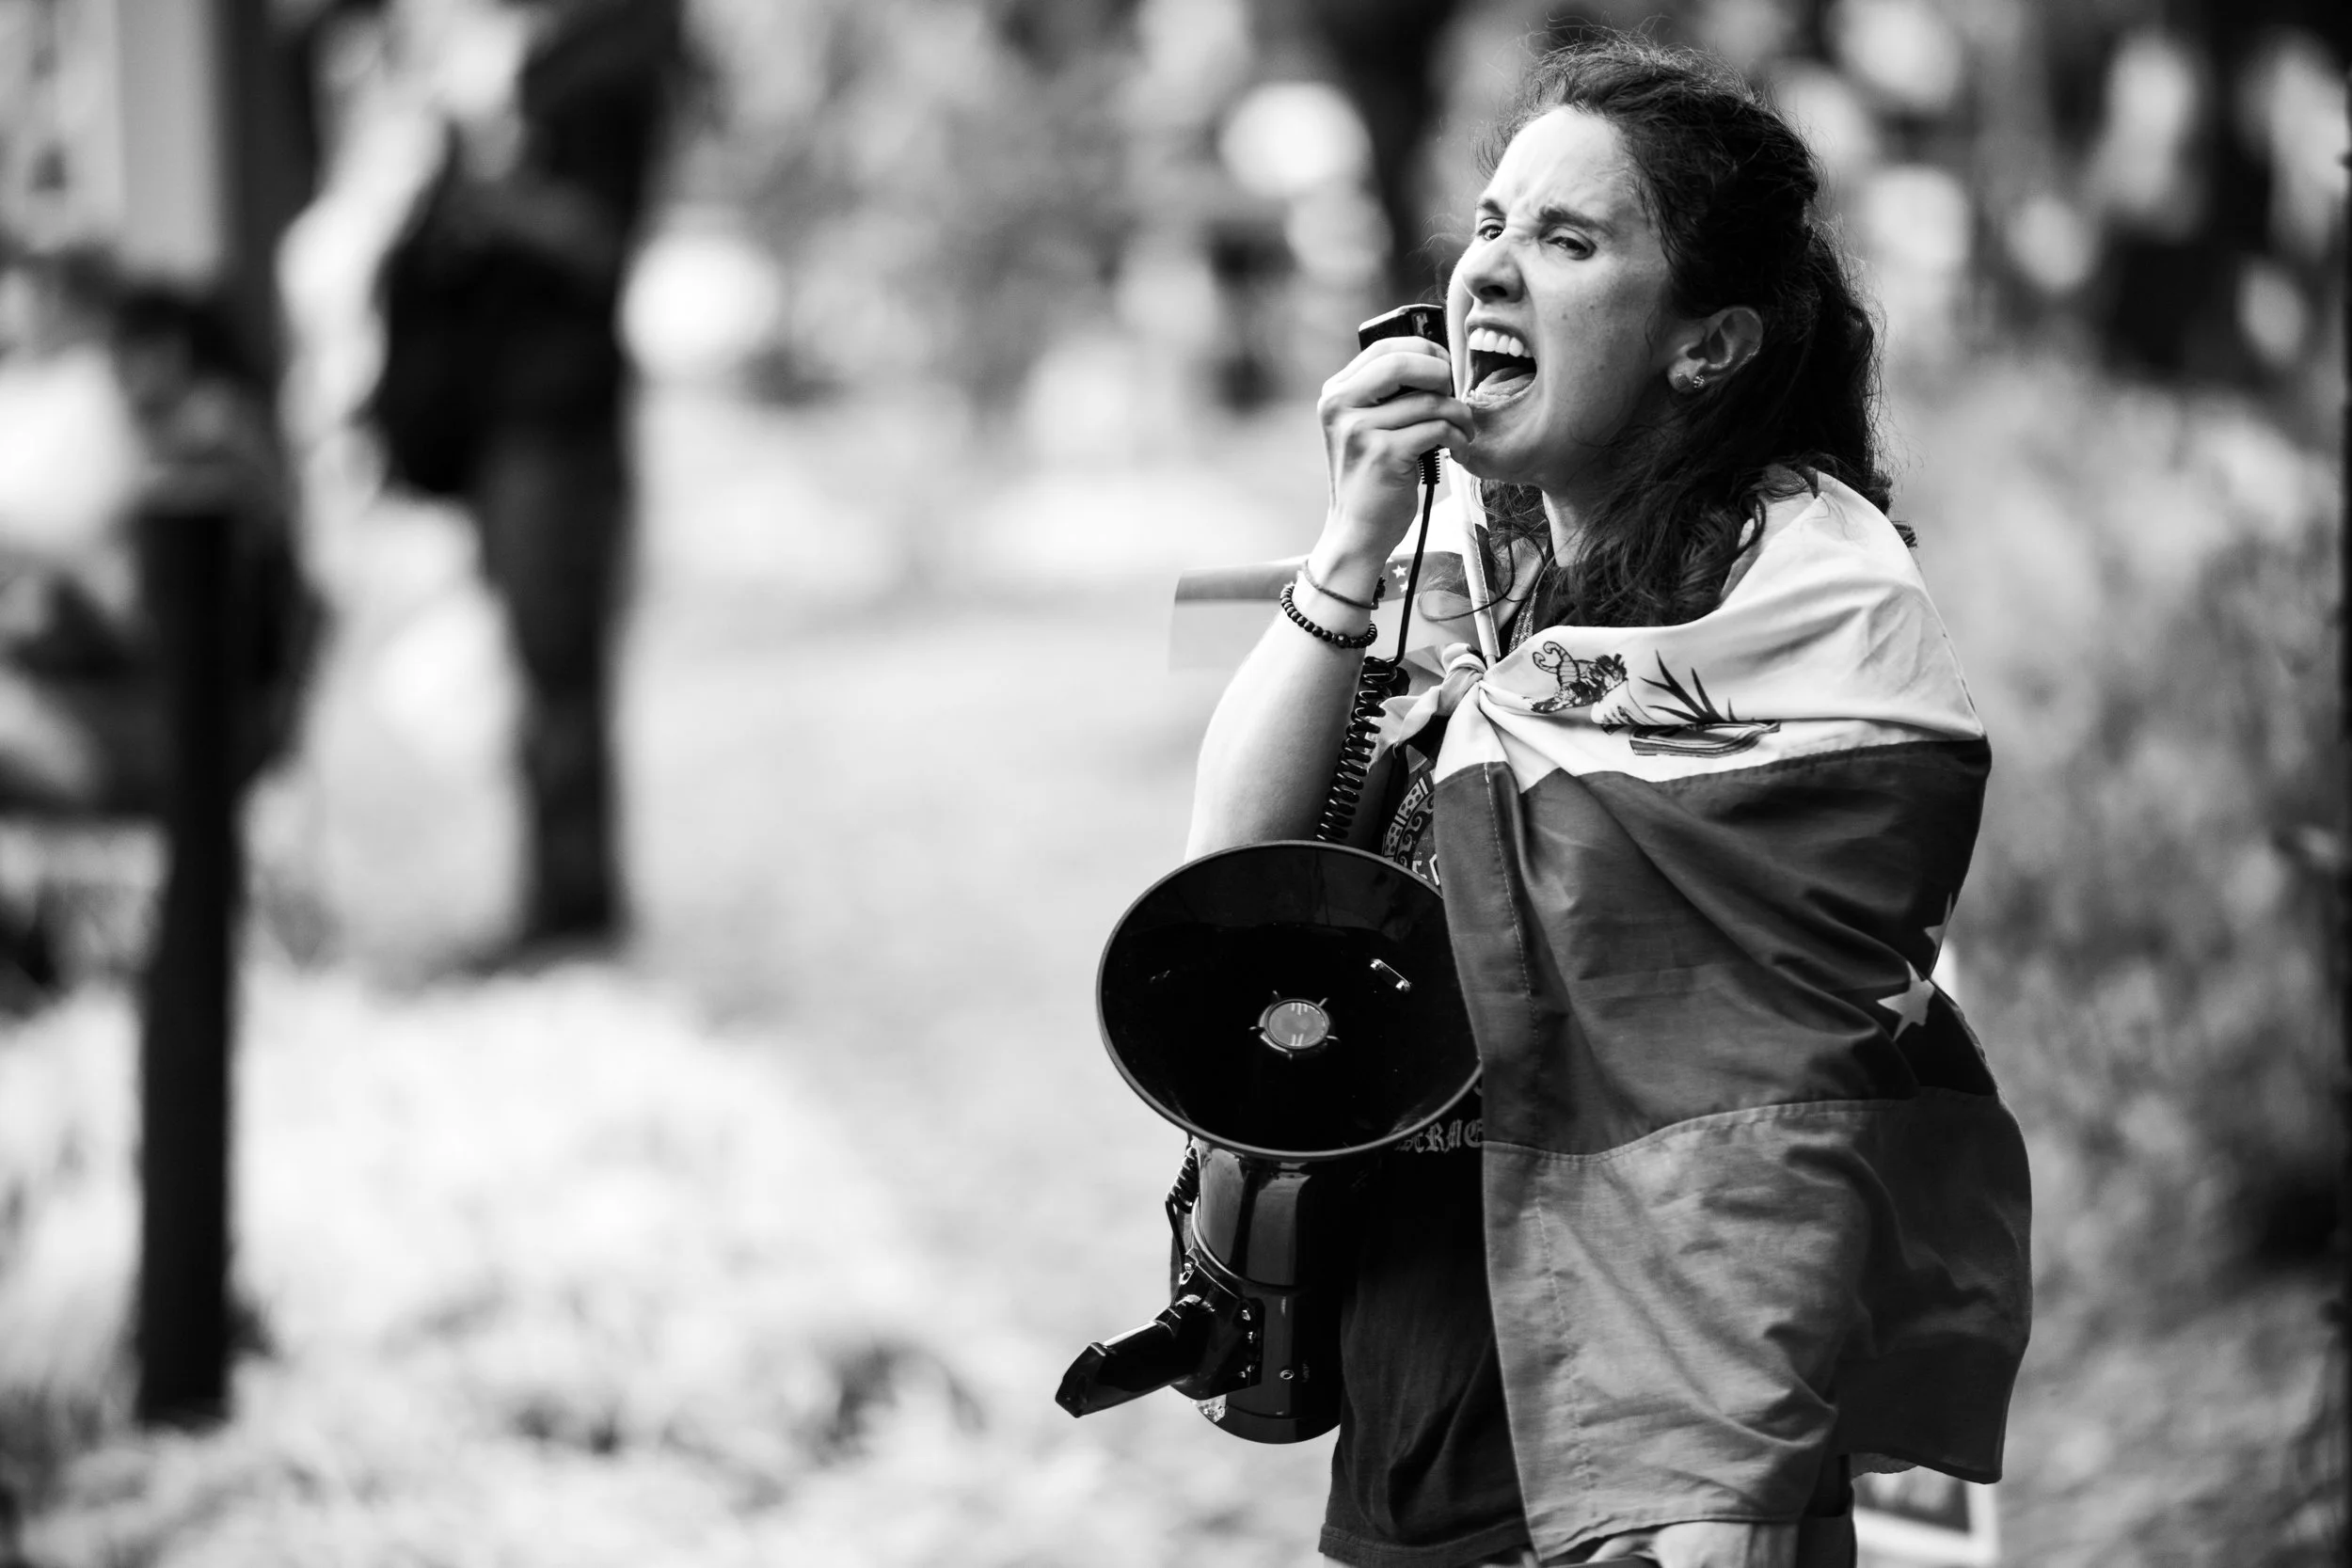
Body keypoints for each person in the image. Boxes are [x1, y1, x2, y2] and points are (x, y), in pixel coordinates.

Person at [1186, 36, 2031, 1568]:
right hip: (1428, 1365)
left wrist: (1731, 1485)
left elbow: (1791, 1083)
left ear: (1703, 344)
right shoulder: (1473, 578)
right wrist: (1352, 541)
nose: (1491, 271)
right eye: (1494, 225)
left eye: (1569, 242)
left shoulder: (1810, 612)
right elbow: (1228, 879)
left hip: (1669, 1409)